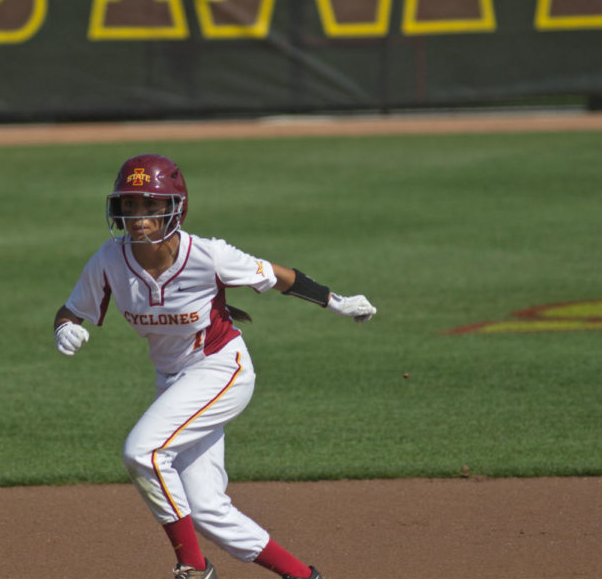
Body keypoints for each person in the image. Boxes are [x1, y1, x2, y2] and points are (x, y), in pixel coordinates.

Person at [53, 154, 376, 579]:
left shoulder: (208, 256)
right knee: (205, 510)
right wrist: (64, 329)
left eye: (151, 206)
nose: (139, 217)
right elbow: (70, 310)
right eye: (130, 205)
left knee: (142, 452)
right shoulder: (109, 260)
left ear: (176, 208)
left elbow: (278, 277)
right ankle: (304, 577)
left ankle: (192, 567)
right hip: (172, 382)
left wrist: (338, 303)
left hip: (221, 369)